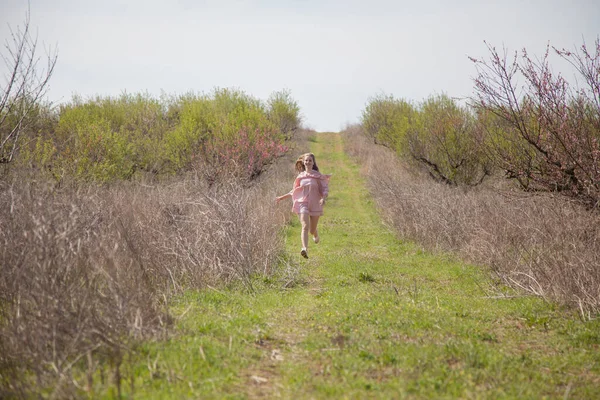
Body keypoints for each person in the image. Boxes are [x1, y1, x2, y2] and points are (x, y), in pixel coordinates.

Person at [276, 153, 331, 258]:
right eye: (306, 160)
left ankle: (315, 234)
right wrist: (281, 198)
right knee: (305, 226)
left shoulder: (318, 176)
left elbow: (324, 189)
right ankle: (304, 248)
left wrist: (323, 198)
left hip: (315, 204)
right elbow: (294, 190)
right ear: (303, 162)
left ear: (313, 162)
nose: (308, 162)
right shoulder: (300, 177)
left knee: (311, 230)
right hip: (303, 203)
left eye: (310, 160)